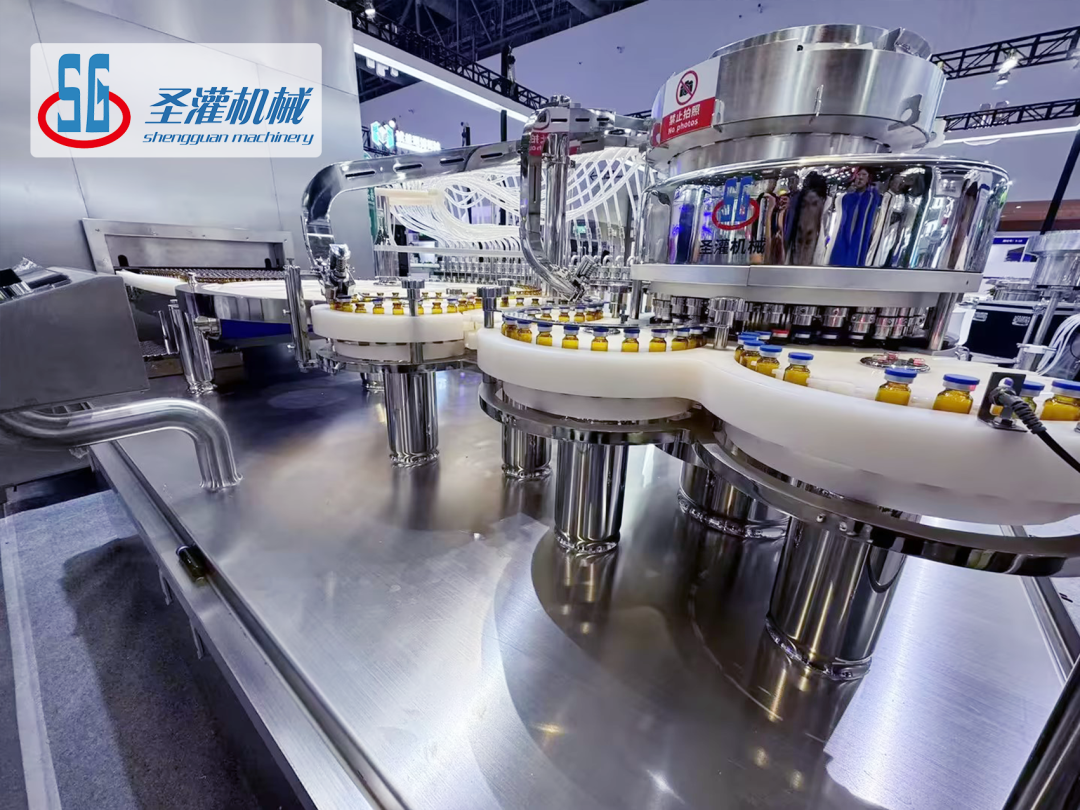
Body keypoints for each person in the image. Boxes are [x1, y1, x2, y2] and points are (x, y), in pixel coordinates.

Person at [829, 166, 882, 266]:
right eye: (859, 174)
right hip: (844, 235)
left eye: (864, 175)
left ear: (868, 178)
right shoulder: (848, 195)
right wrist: (850, 195)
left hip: (861, 236)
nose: (860, 177)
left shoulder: (871, 196)